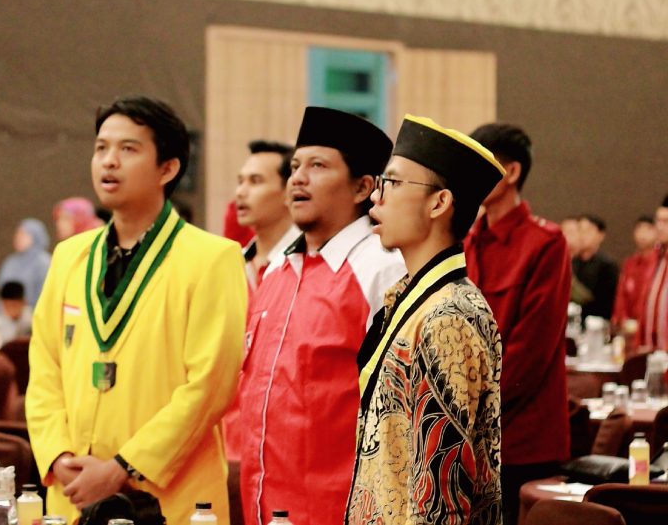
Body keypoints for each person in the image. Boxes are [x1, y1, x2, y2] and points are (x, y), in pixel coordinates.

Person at [26, 96, 246, 525]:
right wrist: (58, 454)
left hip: (170, 498)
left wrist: (122, 467)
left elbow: (210, 386)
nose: (109, 161)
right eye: (101, 148)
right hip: (75, 492)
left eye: (128, 149)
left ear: (168, 168)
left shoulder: (212, 259)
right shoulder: (69, 256)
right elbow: (45, 367)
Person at [237, 107, 406, 525]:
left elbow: (400, 413)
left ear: (363, 187)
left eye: (317, 166)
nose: (298, 178)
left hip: (340, 510)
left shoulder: (382, 271)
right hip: (262, 505)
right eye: (295, 166)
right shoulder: (277, 269)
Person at [346, 114, 504, 525]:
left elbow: (441, 498)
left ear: (439, 203)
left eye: (393, 183)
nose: (376, 198)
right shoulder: (410, 298)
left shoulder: (449, 316)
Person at [463, 122, 571, 524]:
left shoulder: (546, 243)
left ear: (511, 172)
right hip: (468, 433)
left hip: (522, 437)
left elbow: (532, 352)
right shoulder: (466, 241)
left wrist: (472, 406)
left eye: (481, 163)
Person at [234, 140, 300, 289]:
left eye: (255, 181)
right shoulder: (233, 263)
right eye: (240, 181)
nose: (240, 192)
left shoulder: (308, 261)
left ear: (289, 191)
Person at [613, 195, 668, 348]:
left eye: (666, 222)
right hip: (649, 348)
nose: (660, 227)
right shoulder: (658, 260)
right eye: (658, 221)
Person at [0, 218, 52, 307]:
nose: (18, 238)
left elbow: (47, 295)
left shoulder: (44, 263)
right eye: (17, 234)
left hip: (34, 313)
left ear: (35, 237)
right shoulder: (10, 262)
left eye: (23, 235)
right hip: (7, 313)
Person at [573, 214, 619, 320]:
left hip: (597, 321)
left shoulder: (607, 265)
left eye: (588, 231)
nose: (582, 235)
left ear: (600, 235)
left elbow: (608, 302)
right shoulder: (572, 262)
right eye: (580, 230)